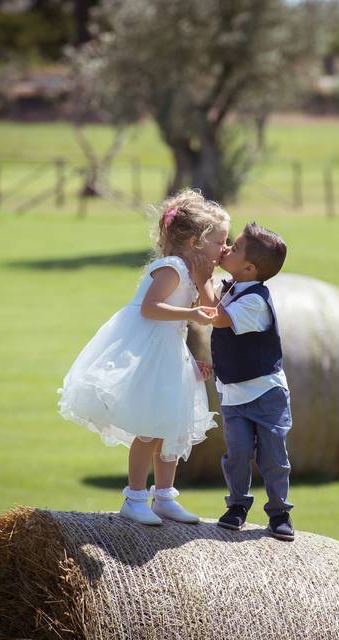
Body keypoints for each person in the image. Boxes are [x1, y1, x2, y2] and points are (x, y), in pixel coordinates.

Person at [58, 189, 229, 525]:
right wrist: (192, 314)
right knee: (148, 430)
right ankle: (135, 497)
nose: (223, 249)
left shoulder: (193, 270)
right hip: (148, 352)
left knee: (171, 428)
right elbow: (151, 308)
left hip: (169, 351)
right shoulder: (172, 267)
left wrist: (207, 277)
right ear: (195, 240)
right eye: (220, 242)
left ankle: (164, 496)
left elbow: (210, 308)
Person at [206, 223, 295, 541]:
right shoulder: (230, 287)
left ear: (249, 268)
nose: (226, 248)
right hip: (232, 393)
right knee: (238, 453)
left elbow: (217, 318)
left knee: (273, 455)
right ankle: (238, 506)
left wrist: (203, 271)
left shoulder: (255, 300)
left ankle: (279, 512)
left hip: (265, 393)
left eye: (235, 247)